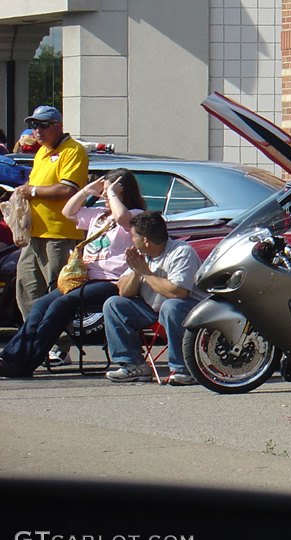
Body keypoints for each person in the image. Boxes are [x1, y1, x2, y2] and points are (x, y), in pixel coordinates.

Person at [0, 170, 146, 378]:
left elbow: (123, 218)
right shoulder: (98, 216)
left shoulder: (136, 215)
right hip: (84, 278)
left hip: (112, 281)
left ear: (123, 192)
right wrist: (88, 190)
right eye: (103, 193)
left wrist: (112, 193)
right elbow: (68, 212)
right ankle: (12, 357)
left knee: (62, 304)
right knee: (41, 304)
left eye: (108, 193)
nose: (104, 196)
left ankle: (26, 363)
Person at [102, 211, 203, 386]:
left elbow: (178, 292)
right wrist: (136, 271)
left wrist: (146, 273)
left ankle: (184, 369)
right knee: (114, 304)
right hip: (153, 308)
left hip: (188, 310)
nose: (131, 240)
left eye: (133, 236)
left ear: (146, 240)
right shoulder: (143, 256)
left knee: (171, 306)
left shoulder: (181, 252)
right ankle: (133, 365)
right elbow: (124, 292)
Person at [13, 106, 89, 320]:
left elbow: (68, 188)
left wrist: (33, 191)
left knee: (57, 291)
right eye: (34, 125)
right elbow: (34, 183)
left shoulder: (73, 150)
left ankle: (58, 347)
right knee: (27, 287)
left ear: (58, 126)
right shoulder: (42, 152)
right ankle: (33, 340)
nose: (37, 130)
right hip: (34, 234)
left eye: (43, 125)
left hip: (59, 235)